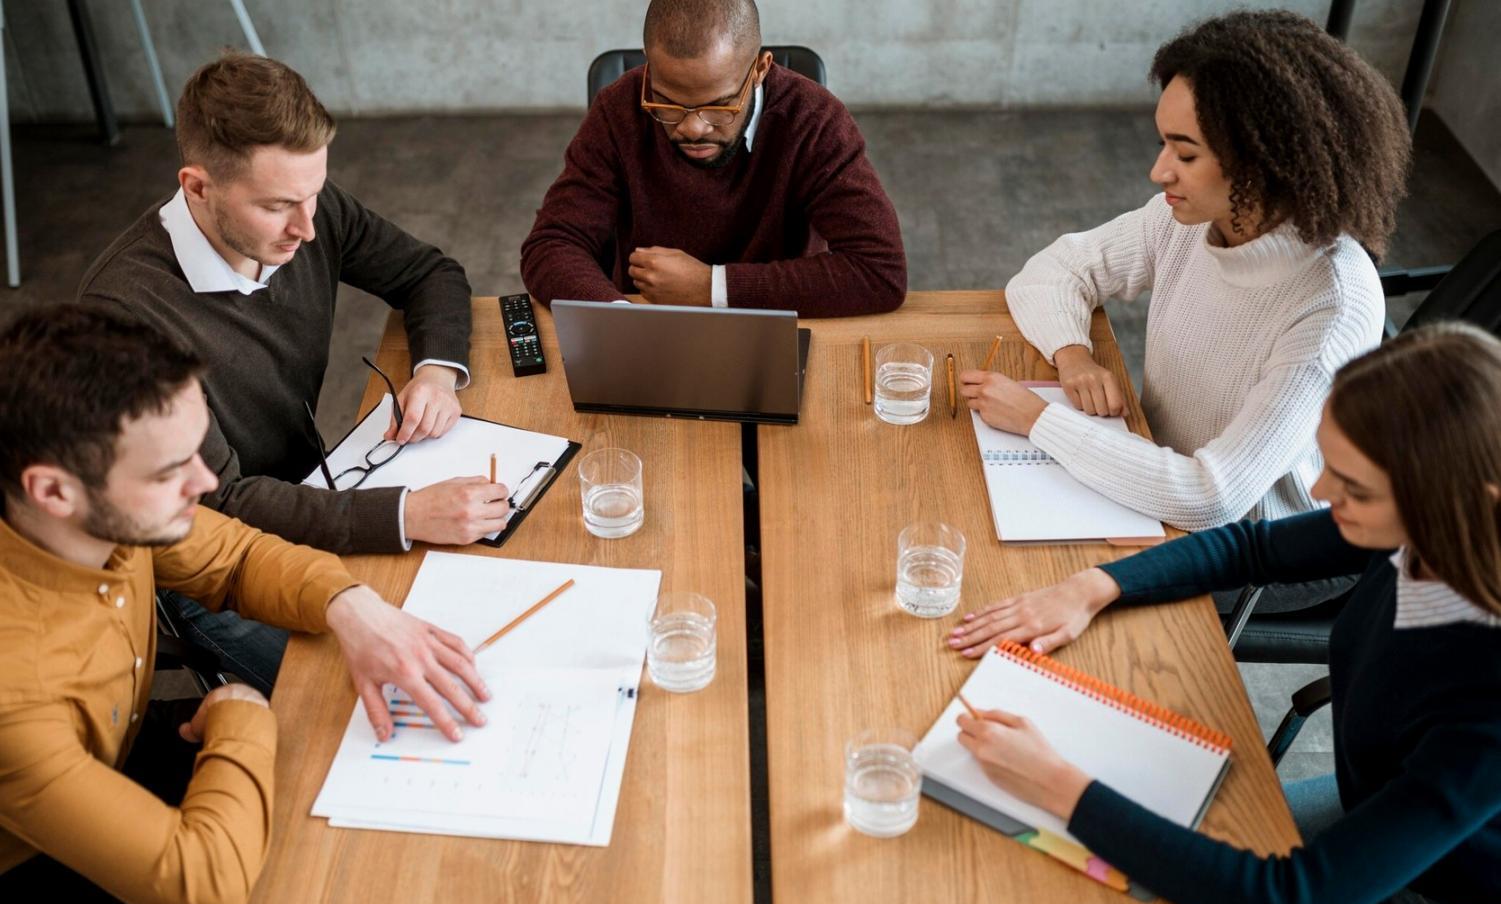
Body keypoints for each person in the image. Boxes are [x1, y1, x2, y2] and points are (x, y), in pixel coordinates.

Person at [948, 324, 1501, 904]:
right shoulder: (1432, 531)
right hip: (1376, 803)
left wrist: (1058, 786)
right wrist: (1095, 585)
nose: (1318, 489)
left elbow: (1292, 898)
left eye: (1354, 488)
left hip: (1440, 890)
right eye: (1328, 462)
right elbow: (1252, 548)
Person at [0, 304, 490, 904]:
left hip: (117, 734)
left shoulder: (92, 515)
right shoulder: (13, 697)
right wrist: (241, 707)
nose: (206, 483)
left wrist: (353, 604)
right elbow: (205, 885)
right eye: (170, 471)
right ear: (52, 491)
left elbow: (236, 556)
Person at [78, 52, 511, 692]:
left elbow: (429, 273)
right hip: (210, 565)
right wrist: (404, 514)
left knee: (471, 639)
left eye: (314, 194)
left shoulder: (306, 207)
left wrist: (437, 373)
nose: (308, 228)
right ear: (197, 186)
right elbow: (218, 504)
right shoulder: (124, 318)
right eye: (280, 205)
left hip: (315, 495)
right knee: (383, 696)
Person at [960, 11, 1411, 617]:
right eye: (1163, 142)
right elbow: (1054, 270)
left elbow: (1214, 496)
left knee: (1017, 582)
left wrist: (1041, 420)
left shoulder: (1329, 303)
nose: (1159, 171)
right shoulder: (1191, 222)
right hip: (1153, 467)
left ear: (1265, 160)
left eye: (1186, 153)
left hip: (1258, 549)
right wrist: (1072, 355)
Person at [520, 0, 907, 316]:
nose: (693, 128)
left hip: (778, 328)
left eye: (719, 106)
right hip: (648, 326)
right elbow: (552, 243)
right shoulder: (618, 109)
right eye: (667, 103)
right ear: (650, 67)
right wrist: (622, 321)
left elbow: (879, 270)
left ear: (760, 69)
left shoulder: (814, 119)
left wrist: (712, 288)